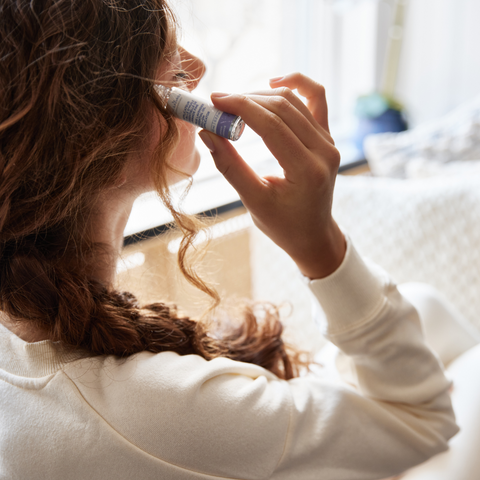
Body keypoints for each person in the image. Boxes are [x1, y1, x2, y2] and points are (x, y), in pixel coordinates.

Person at [0, 1, 459, 479]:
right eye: (160, 52)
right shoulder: (170, 411)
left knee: (423, 305)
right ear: (92, 131)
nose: (194, 67)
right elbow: (424, 424)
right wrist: (318, 244)